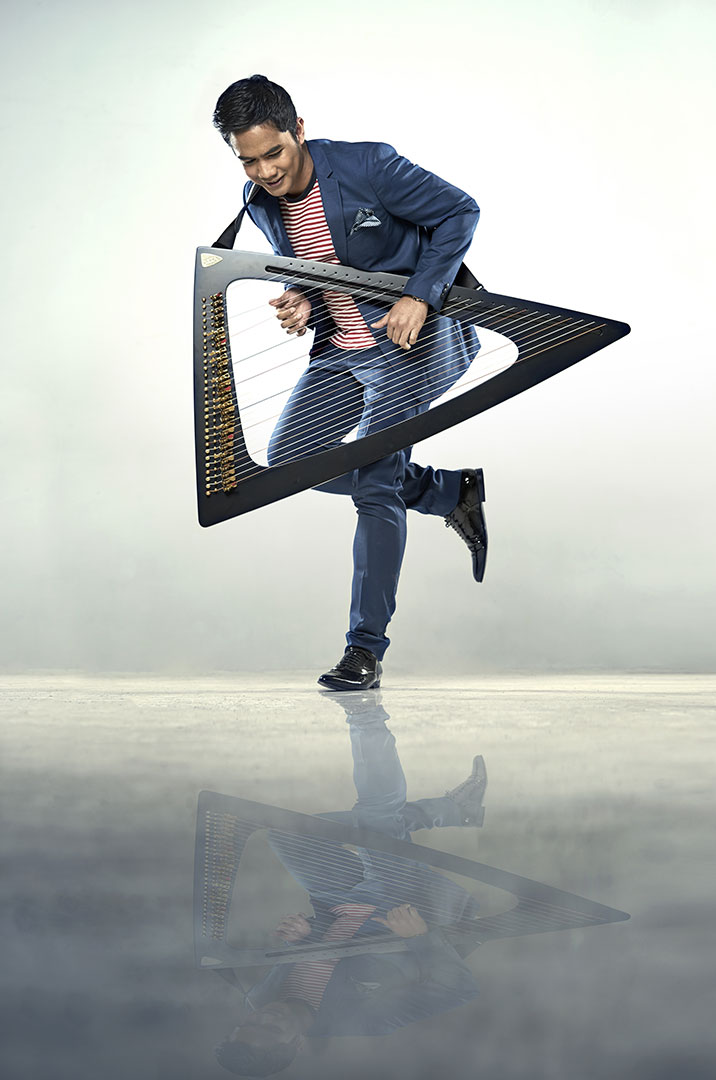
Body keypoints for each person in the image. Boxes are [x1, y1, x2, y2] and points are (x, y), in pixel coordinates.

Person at [212, 75, 489, 690]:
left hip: (406, 348)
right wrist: (302, 298)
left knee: (375, 488)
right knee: (288, 460)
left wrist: (420, 294)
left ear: (298, 130)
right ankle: (447, 492)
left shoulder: (370, 166)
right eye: (249, 161)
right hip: (340, 351)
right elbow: (320, 266)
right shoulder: (258, 200)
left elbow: (460, 211)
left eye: (274, 153)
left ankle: (364, 650)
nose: (265, 172)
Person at [214, 694, 488, 1075]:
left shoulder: (259, 997)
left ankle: (452, 811)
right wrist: (420, 938)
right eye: (272, 1029)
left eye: (250, 1023)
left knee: (287, 834)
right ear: (297, 1044)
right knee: (374, 819)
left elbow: (319, 956)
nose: (265, 1016)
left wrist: (303, 938)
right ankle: (364, 712)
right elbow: (458, 989)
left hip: (337, 903)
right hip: (399, 906)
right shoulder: (365, 1021)